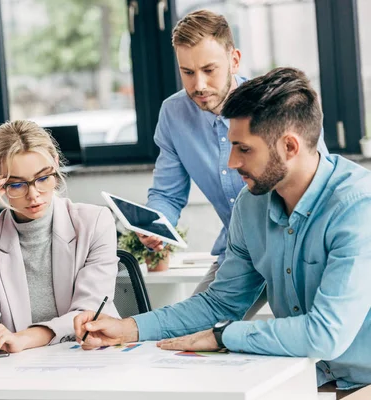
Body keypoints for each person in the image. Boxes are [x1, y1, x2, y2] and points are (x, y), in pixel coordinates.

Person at [74, 67, 371, 398]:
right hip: (304, 375)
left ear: (289, 146)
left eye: (243, 149)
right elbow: (221, 303)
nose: (231, 162)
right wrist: (127, 329)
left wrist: (223, 336)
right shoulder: (251, 204)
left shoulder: (357, 206)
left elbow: (325, 334)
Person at [140, 10, 327, 313]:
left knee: (317, 342)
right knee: (193, 335)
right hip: (239, 253)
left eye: (209, 69)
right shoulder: (173, 115)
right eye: (187, 72)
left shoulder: (276, 103)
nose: (198, 84)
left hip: (299, 247)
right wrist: (156, 225)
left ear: (234, 60)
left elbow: (318, 181)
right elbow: (167, 194)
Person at [0, 120, 119, 358]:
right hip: (19, 371)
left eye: (43, 178)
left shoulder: (94, 222)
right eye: (17, 184)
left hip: (89, 357)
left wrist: (23, 338)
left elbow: (89, 315)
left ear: (55, 163)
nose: (33, 195)